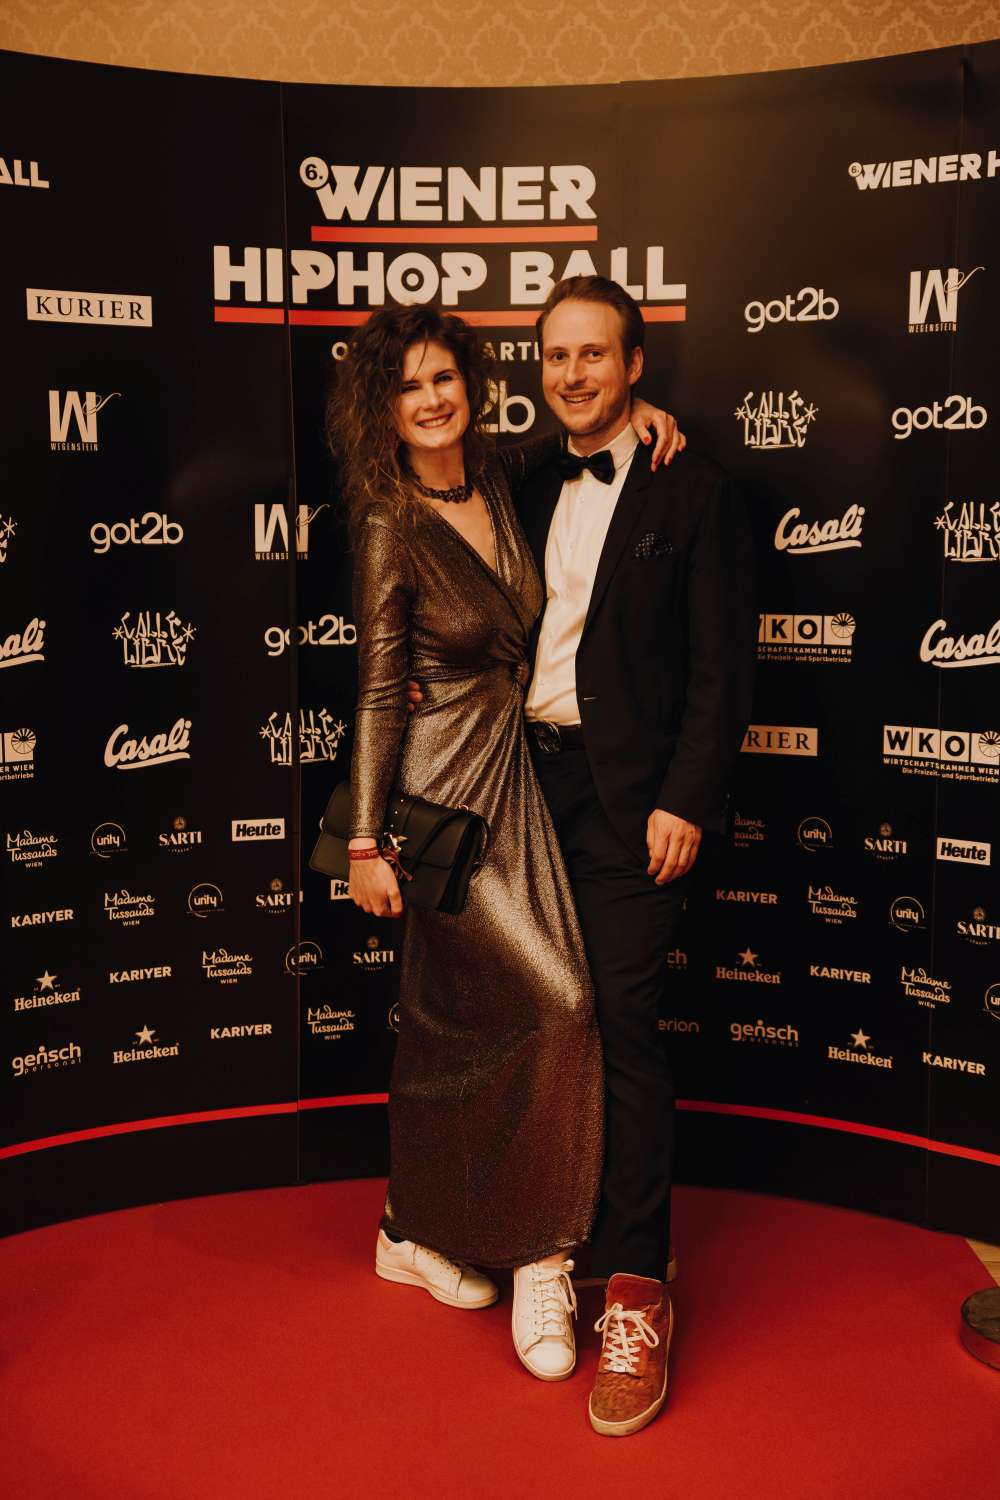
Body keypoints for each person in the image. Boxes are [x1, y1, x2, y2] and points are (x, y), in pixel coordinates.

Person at [326, 304, 683, 1384]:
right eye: (408, 386)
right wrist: (364, 841)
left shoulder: (499, 478)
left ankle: (414, 1227)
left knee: (461, 1023)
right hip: (439, 803)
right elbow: (378, 689)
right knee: (557, 1001)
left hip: (517, 776)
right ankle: (541, 1251)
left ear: (471, 384)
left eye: (444, 377)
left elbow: (590, 444)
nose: (431, 399)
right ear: (382, 407)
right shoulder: (388, 521)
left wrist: (643, 416)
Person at [515, 275, 757, 1435]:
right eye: (556, 355)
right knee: (530, 1019)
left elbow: (722, 667)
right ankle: (538, 1247)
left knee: (619, 1023)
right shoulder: (520, 479)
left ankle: (634, 1288)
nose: (572, 374)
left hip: (629, 806)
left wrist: (685, 801)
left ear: (633, 365)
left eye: (593, 355)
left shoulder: (694, 490)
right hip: (519, 791)